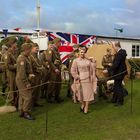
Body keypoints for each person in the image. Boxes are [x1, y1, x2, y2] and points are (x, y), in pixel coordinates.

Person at [71, 46, 97, 114]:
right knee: (80, 94)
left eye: (83, 52)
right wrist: (77, 76)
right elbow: (72, 70)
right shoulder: (75, 61)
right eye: (81, 52)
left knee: (87, 94)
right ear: (79, 53)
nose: (82, 53)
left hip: (88, 79)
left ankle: (86, 107)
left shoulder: (88, 60)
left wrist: (93, 62)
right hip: (80, 79)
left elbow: (93, 68)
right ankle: (83, 104)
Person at [103, 42, 127, 106]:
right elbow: (117, 63)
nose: (113, 48)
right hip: (119, 72)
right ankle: (114, 99)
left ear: (117, 46)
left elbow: (116, 65)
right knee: (116, 86)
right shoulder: (122, 52)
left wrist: (107, 70)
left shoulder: (119, 54)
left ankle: (120, 102)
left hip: (119, 73)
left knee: (118, 87)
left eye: (113, 46)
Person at [16, 43, 35, 120]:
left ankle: (21, 111)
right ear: (26, 50)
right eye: (30, 49)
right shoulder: (22, 59)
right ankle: (26, 112)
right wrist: (26, 83)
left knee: (22, 96)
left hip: (22, 79)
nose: (30, 51)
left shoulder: (25, 57)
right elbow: (22, 73)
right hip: (22, 80)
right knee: (28, 97)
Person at [29, 43, 44, 107]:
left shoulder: (37, 57)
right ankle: (30, 104)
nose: (37, 49)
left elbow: (39, 64)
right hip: (33, 76)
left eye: (38, 48)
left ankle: (35, 102)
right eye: (36, 48)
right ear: (31, 49)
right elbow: (29, 67)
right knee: (33, 91)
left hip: (38, 76)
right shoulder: (30, 57)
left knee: (37, 90)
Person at [5, 38, 18, 107]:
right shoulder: (8, 53)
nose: (16, 44)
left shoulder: (15, 52)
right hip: (11, 73)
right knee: (12, 87)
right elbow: (7, 65)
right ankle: (12, 102)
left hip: (16, 72)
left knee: (16, 87)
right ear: (12, 44)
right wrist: (16, 66)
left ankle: (15, 102)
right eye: (15, 43)